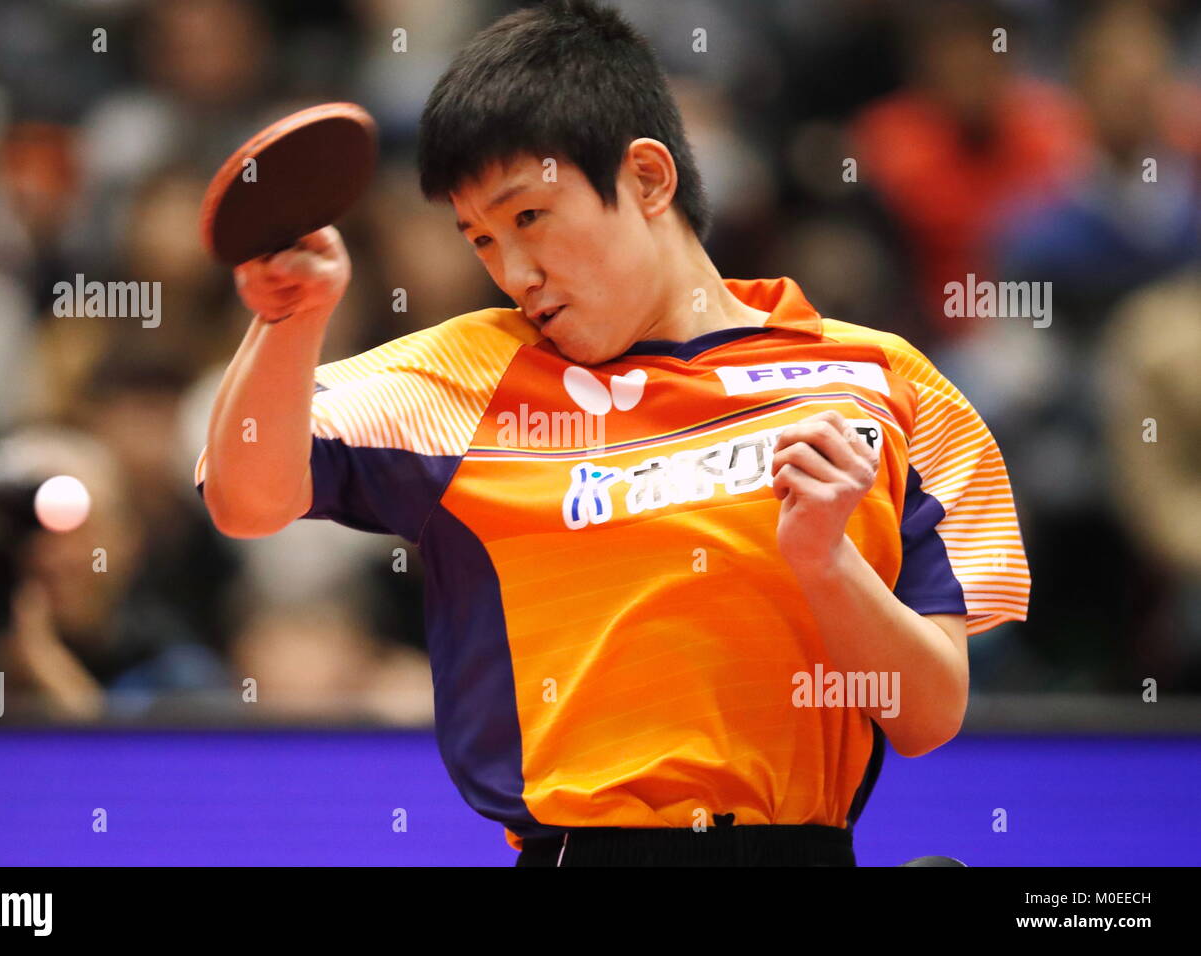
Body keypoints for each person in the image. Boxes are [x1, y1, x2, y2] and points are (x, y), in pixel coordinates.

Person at [197, 0, 1030, 866]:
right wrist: (292, 320)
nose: (514, 272)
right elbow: (246, 499)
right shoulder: (468, 376)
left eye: (529, 218)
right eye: (480, 238)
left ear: (646, 179)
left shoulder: (881, 383)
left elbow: (929, 717)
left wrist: (828, 564)